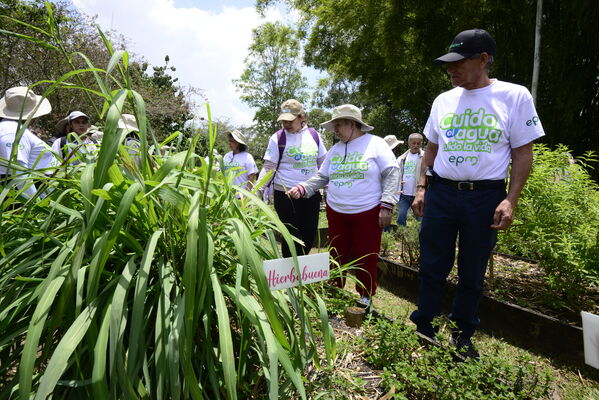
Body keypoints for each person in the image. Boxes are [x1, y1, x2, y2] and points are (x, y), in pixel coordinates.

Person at [409, 29, 545, 358]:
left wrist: (510, 199)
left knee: (473, 268)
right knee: (432, 263)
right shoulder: (444, 100)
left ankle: (462, 332)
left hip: (484, 196)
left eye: (459, 62)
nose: (450, 69)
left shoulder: (514, 96)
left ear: (483, 60)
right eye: (448, 64)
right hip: (441, 191)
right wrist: (421, 188)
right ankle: (424, 325)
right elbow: (430, 149)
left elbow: (523, 153)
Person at [288, 104, 399, 305]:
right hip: (337, 210)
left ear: (353, 124)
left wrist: (387, 204)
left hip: (367, 210)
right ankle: (334, 289)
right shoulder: (336, 149)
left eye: (339, 125)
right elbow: (322, 175)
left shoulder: (375, 144)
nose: (335, 130)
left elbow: (391, 172)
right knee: (336, 252)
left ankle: (365, 296)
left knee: (366, 254)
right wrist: (304, 188)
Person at [258, 99, 327, 257]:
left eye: (290, 121)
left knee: (309, 233)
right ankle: (289, 276)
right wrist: (258, 189)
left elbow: (324, 164)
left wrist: (328, 190)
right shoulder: (277, 138)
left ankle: (301, 271)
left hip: (311, 193)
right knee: (291, 236)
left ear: (302, 117)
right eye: (283, 121)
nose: (286, 124)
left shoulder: (314, 135)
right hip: (285, 194)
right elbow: (269, 167)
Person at [0, 86, 55, 198]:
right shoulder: (12, 131)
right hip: (28, 192)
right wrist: (34, 206)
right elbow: (19, 172)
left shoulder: (17, 128)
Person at [395, 133, 424, 226]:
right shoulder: (402, 158)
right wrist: (398, 183)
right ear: (409, 143)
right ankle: (401, 236)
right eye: (414, 143)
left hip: (417, 194)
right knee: (401, 216)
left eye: (418, 143)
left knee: (420, 218)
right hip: (404, 194)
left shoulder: (424, 157)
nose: (416, 145)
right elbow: (395, 174)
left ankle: (418, 238)